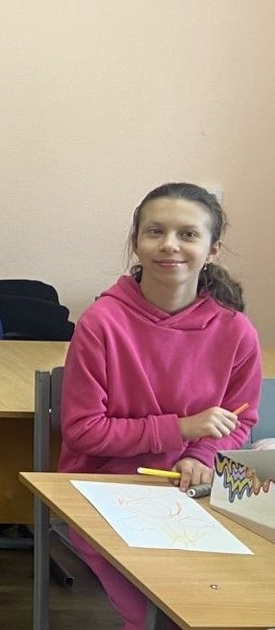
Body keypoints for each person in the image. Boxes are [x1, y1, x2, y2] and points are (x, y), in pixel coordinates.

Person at [59, 182, 262, 630]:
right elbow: (83, 431)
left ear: (213, 249)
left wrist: (202, 455)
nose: (169, 245)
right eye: (155, 231)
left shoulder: (236, 330)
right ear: (136, 242)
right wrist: (183, 429)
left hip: (197, 494)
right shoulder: (102, 323)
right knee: (165, 618)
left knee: (236, 606)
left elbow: (239, 416)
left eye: (188, 234)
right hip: (104, 490)